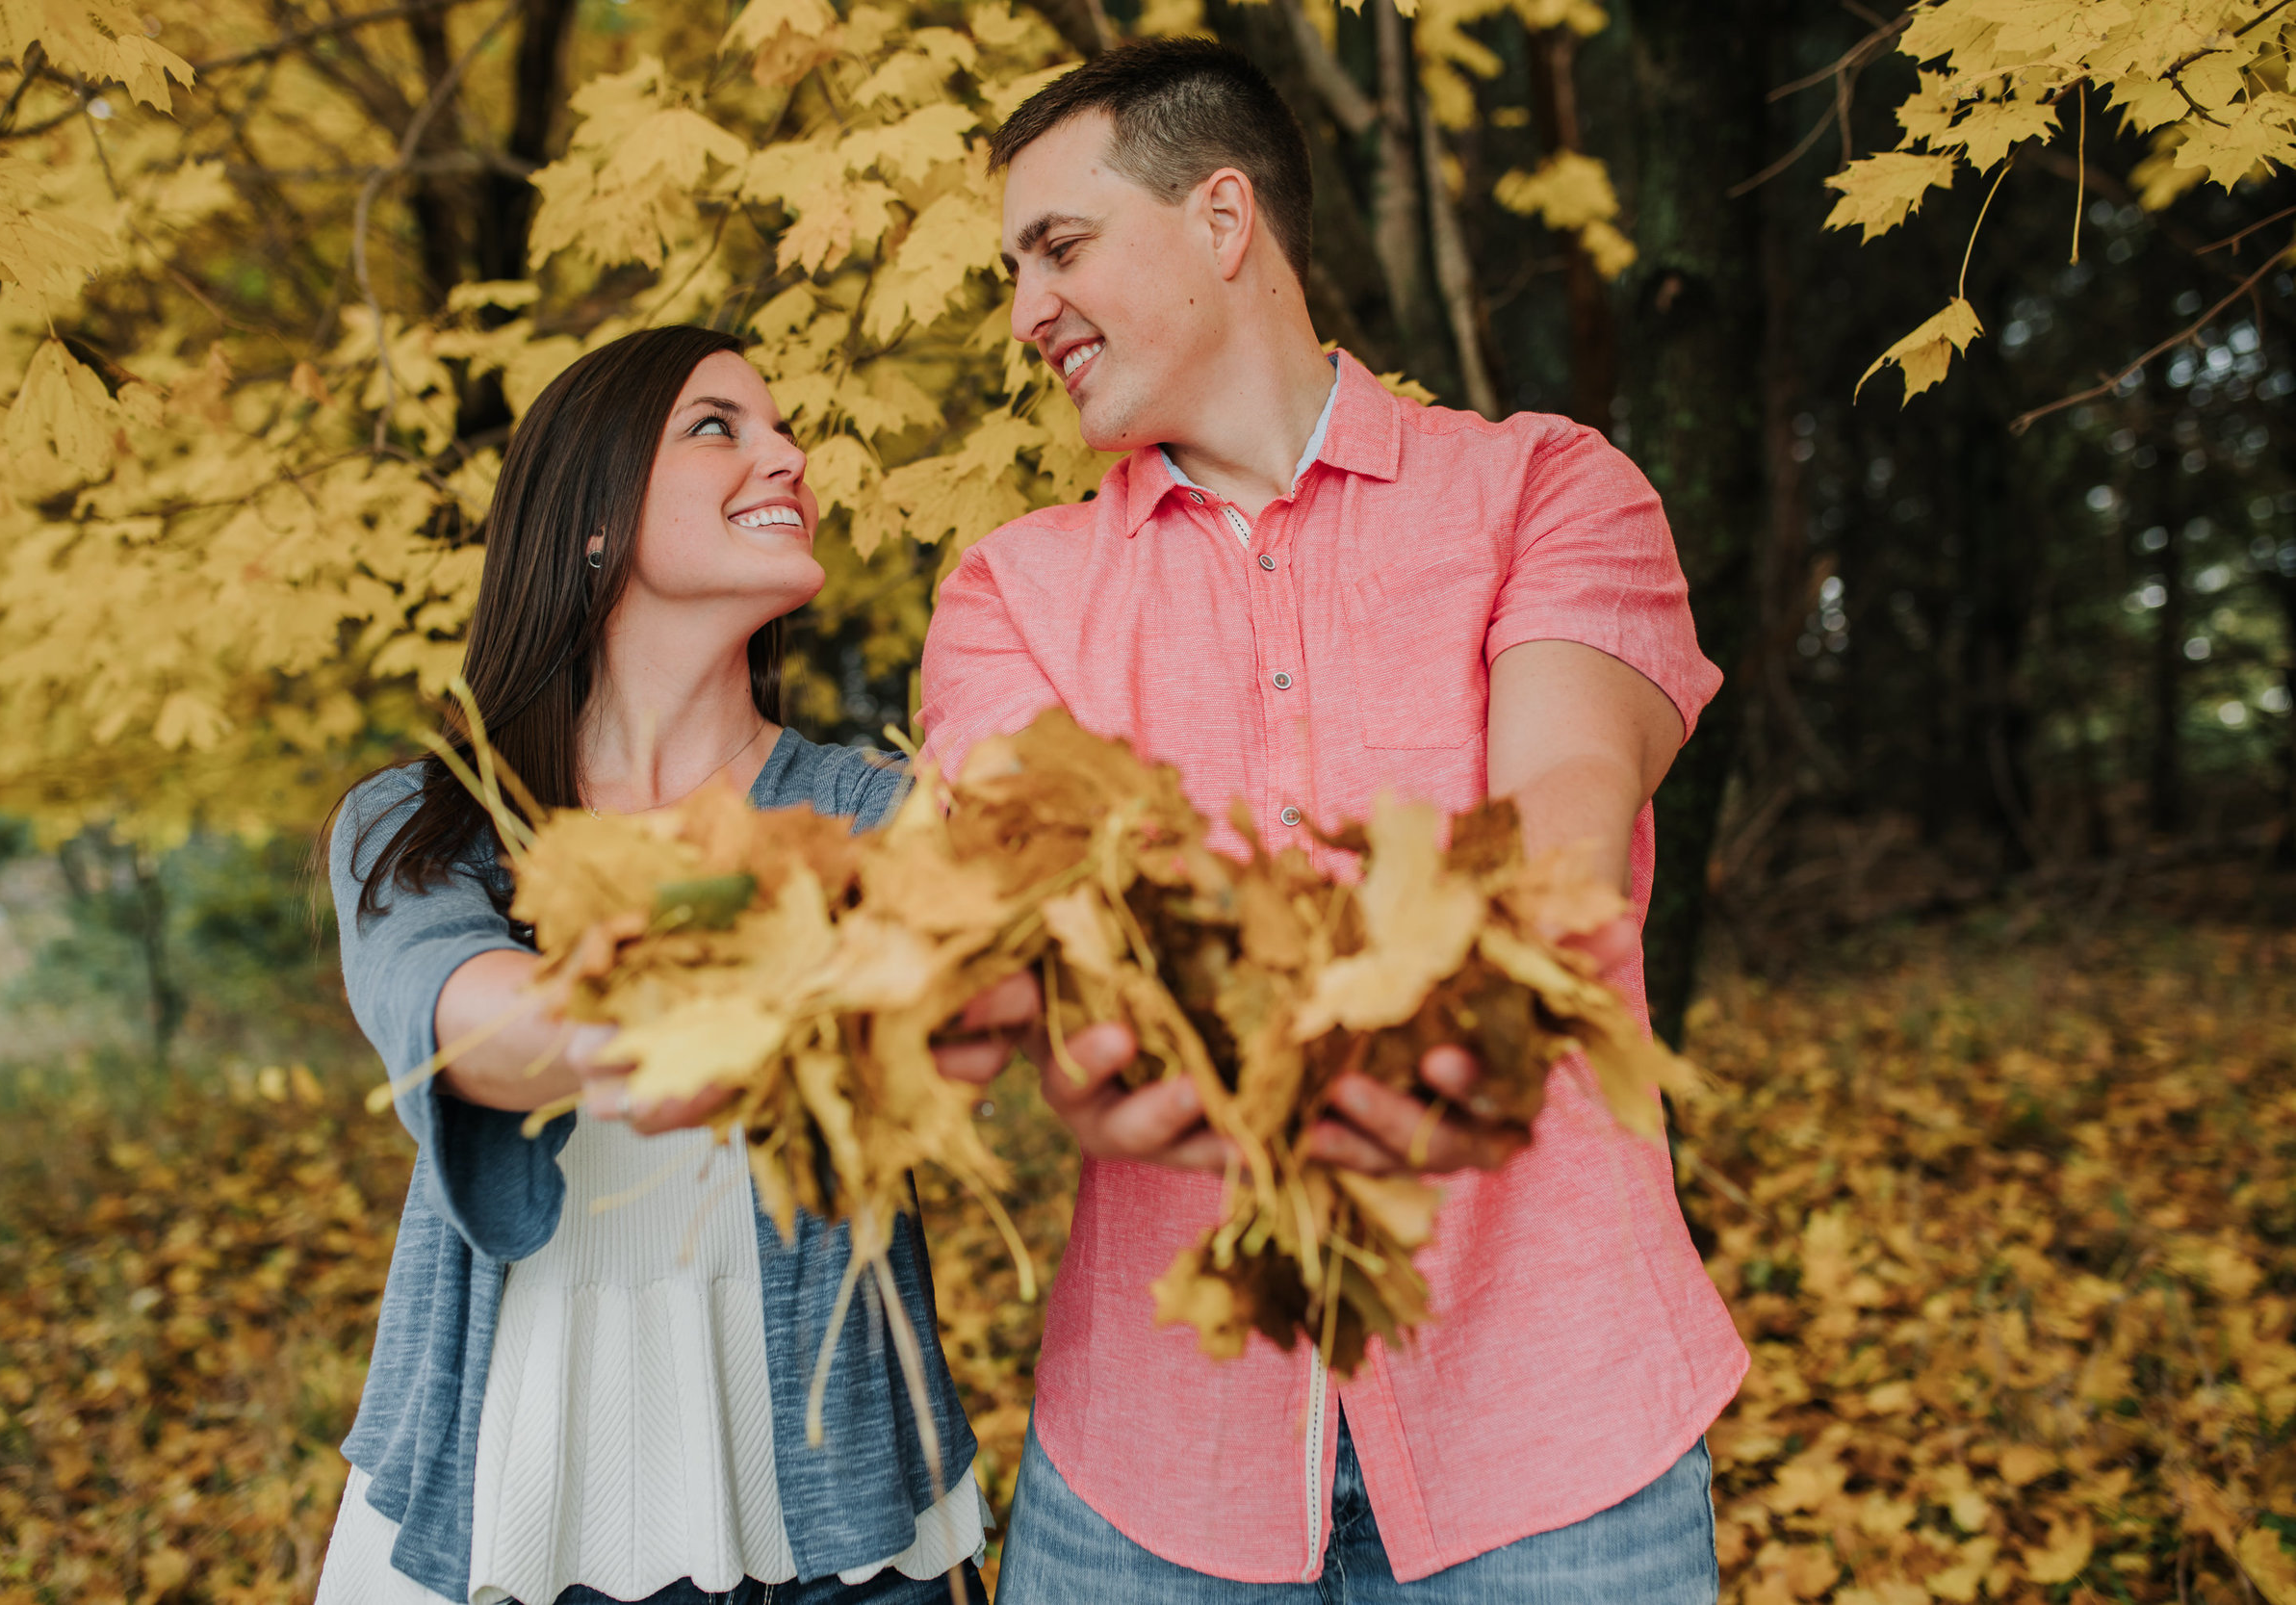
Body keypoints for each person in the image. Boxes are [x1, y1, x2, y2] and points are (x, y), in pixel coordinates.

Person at [917, 39, 1749, 1604]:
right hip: (1157, 1486)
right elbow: (1028, 901)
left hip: (1557, 1445)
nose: (1024, 311)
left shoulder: (1546, 493)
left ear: (1225, 219)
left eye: (1060, 248)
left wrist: (1451, 1032)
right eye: (1011, 269)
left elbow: (1560, 827)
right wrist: (1075, 1030)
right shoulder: (1007, 595)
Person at [316, 325, 993, 1605]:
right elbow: (474, 1022)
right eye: (718, 426)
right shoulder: (429, 823)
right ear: (588, 520)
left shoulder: (877, 816)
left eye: (782, 427)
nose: (788, 454)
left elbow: (966, 1034)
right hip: (515, 1491)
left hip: (844, 1522)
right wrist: (667, 1022)